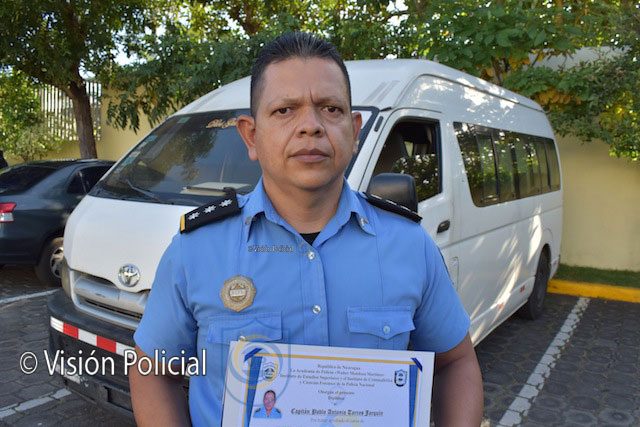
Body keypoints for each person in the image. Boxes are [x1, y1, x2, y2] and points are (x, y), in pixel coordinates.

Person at [130, 32, 483, 426]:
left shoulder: (410, 245)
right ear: (251, 135)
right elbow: (152, 372)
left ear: (354, 131)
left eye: (330, 109)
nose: (311, 126)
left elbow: (455, 362)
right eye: (285, 110)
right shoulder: (196, 250)